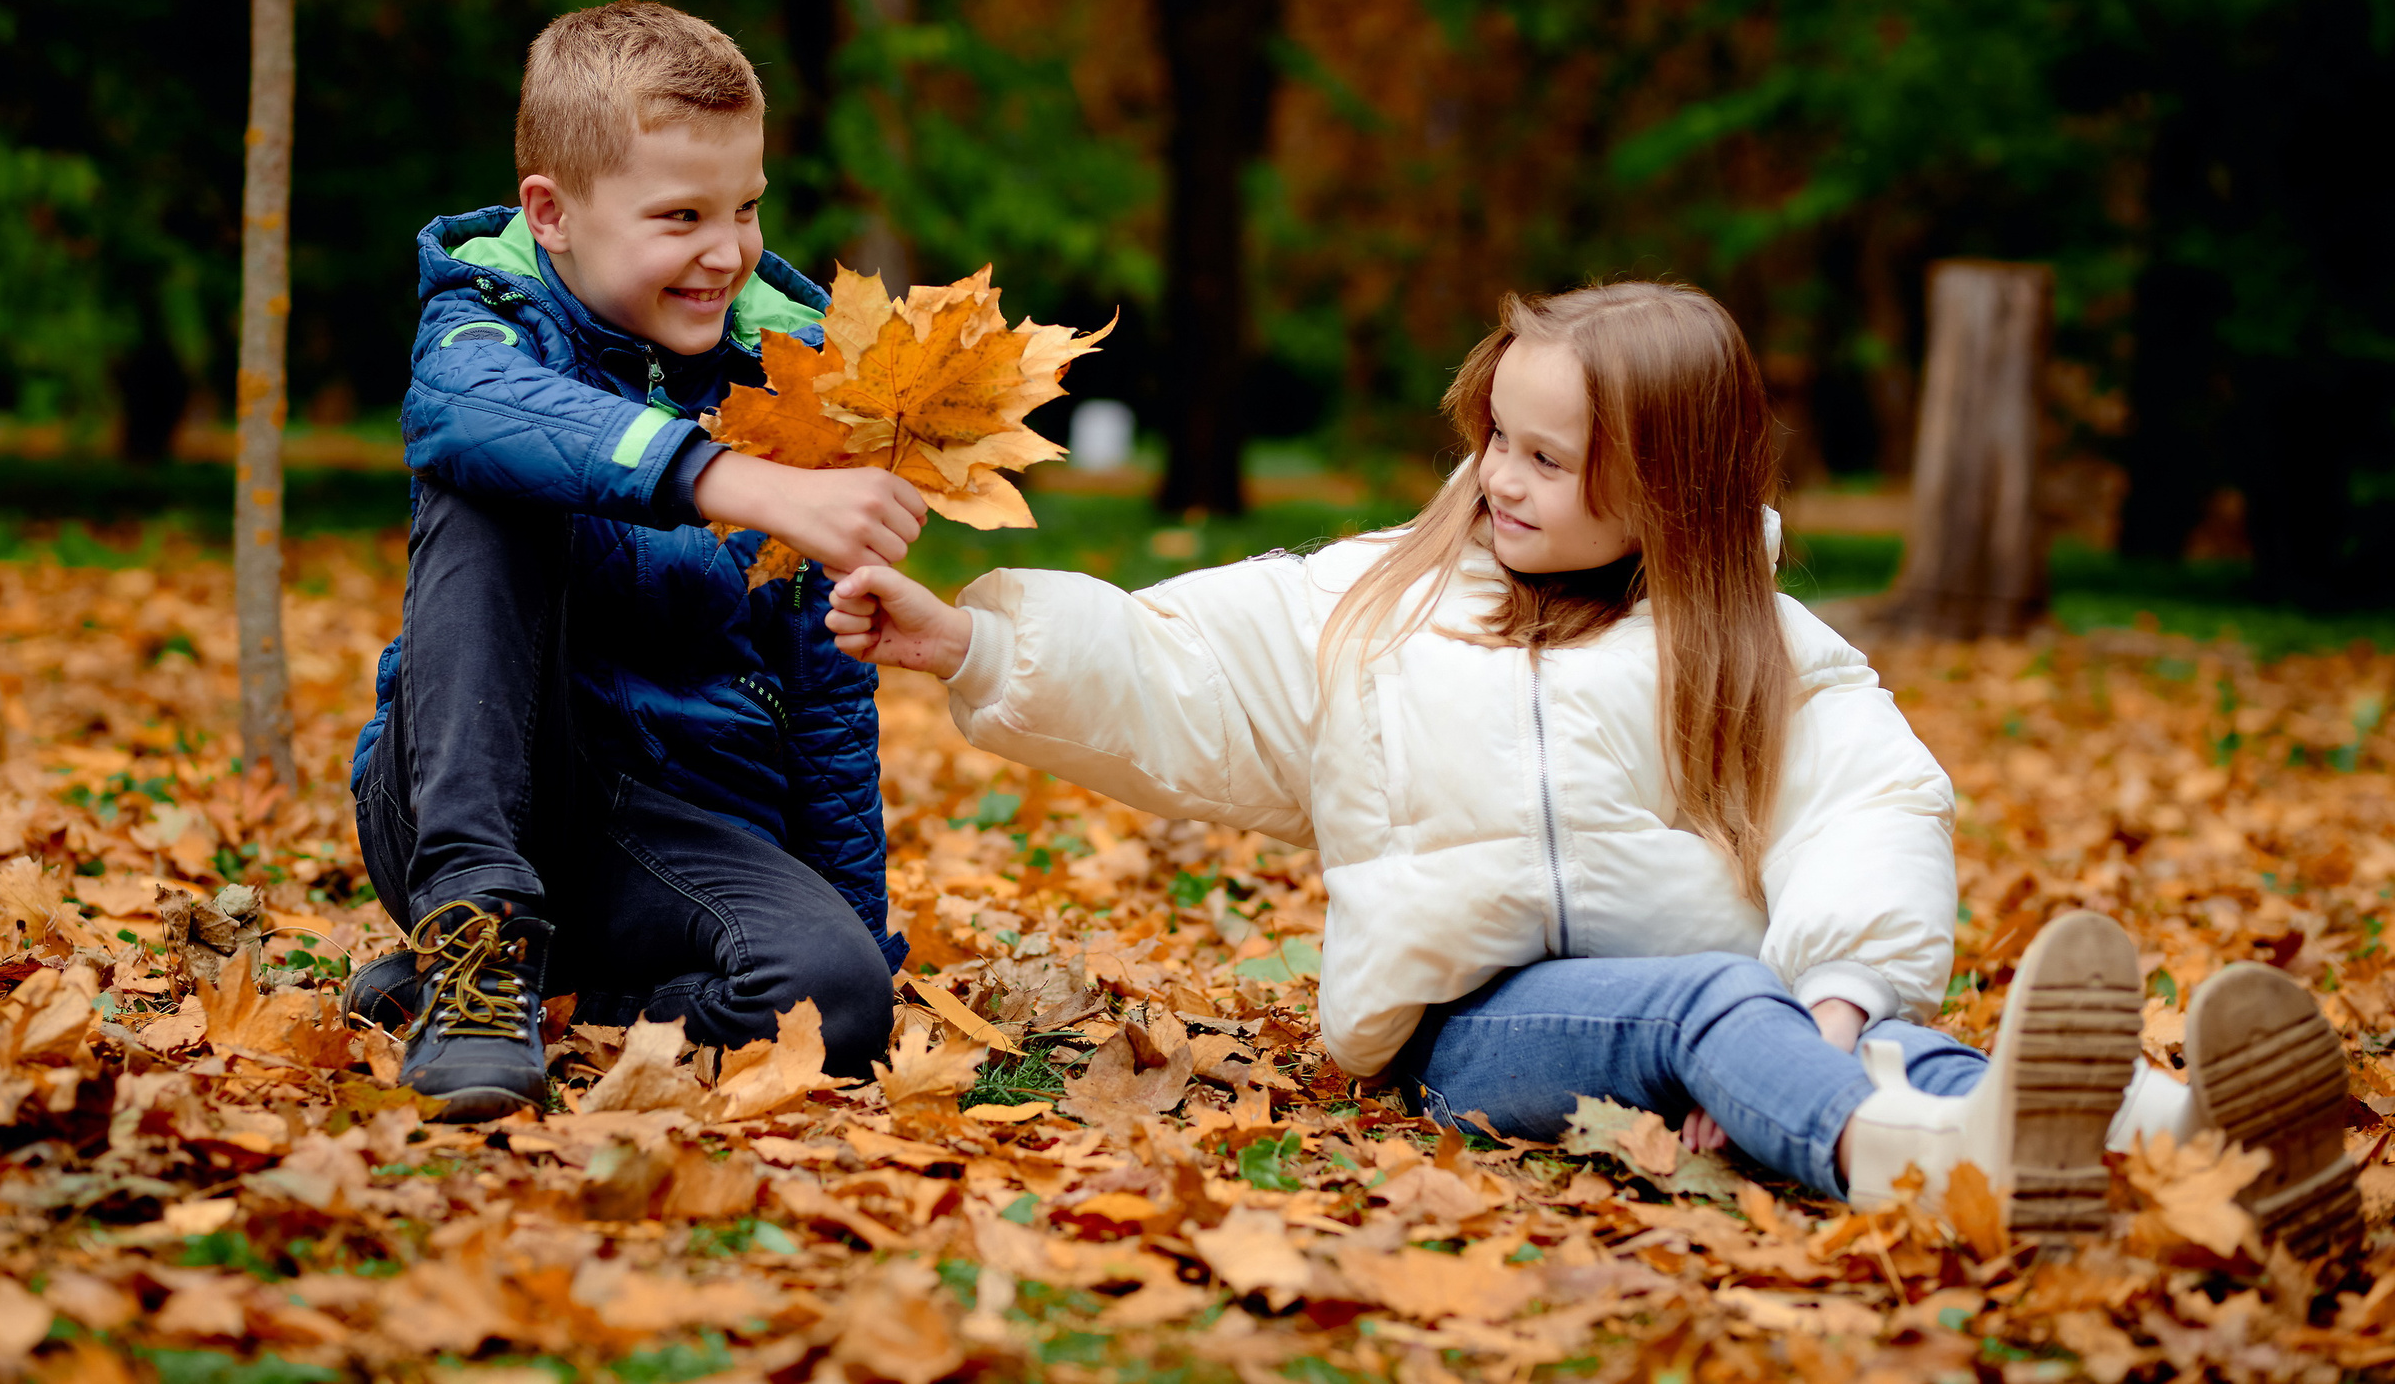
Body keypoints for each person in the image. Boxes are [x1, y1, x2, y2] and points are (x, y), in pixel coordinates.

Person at [825, 282, 2360, 1250]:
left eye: (1549, 458)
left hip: (1738, 1014)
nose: (1501, 474)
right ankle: (1901, 1163)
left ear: (1668, 484)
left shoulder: (1750, 638)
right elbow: (1179, 675)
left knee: (1870, 1034)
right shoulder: (1384, 603)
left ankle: (2197, 1137)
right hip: (1474, 1029)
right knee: (1721, 1003)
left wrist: (1831, 1000)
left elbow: (1871, 802)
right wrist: (973, 645)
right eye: (1498, 435)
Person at [340, 1, 931, 1121]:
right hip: (470, 793)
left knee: (840, 1004)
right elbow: (461, 407)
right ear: (552, 214)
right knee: (496, 466)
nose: (726, 252)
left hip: (677, 829)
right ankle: (475, 949)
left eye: (746, 208)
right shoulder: (489, 319)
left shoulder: (796, 378)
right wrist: (726, 478)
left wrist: (857, 926)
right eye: (679, 217)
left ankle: (562, 986)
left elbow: (824, 693)